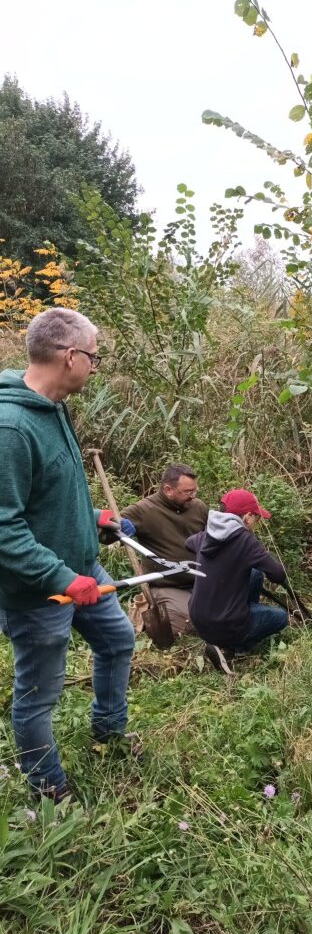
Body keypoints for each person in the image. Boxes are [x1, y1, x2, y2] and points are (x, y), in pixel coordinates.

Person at [0, 307, 136, 802]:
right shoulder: (10, 428)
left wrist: (92, 518)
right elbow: (4, 528)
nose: (95, 367)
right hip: (38, 594)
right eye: (94, 357)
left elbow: (50, 492)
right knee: (38, 695)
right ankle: (47, 788)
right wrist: (59, 577)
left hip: (82, 569)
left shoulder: (52, 408)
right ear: (70, 356)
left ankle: (109, 732)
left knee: (118, 640)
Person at [185, 489, 288, 674]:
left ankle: (236, 626)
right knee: (281, 617)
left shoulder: (206, 535)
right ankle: (233, 647)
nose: (256, 522)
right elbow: (278, 575)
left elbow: (188, 543)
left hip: (199, 620)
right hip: (226, 625)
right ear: (247, 517)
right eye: (256, 517)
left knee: (255, 574)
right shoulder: (244, 540)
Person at [120, 464, 208, 638]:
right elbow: (104, 533)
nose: (193, 496)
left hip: (200, 581)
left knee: (222, 616)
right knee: (191, 623)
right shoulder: (144, 510)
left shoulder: (198, 507)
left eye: (194, 491)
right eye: (188, 492)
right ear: (168, 489)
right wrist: (117, 529)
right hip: (167, 585)